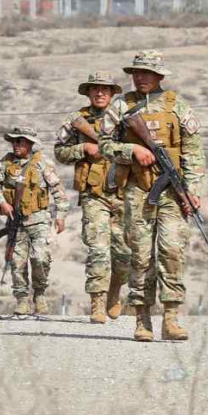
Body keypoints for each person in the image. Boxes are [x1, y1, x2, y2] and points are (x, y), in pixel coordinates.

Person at [98, 50, 205, 342]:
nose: (140, 77)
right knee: (141, 255)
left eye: (146, 72)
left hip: (172, 190)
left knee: (172, 250)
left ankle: (171, 317)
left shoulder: (177, 106)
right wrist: (131, 150)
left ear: (159, 76)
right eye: (136, 72)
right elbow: (104, 144)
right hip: (137, 190)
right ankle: (142, 319)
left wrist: (193, 191)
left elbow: (193, 152)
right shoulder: (121, 106)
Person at [54, 70, 131, 323]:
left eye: (105, 89)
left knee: (123, 254)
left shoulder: (126, 118)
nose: (100, 93)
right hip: (93, 194)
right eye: (95, 89)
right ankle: (97, 303)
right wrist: (83, 148)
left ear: (111, 93)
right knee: (98, 250)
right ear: (88, 92)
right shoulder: (77, 120)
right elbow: (60, 152)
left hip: (124, 192)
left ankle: (114, 293)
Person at [0, 127, 69, 316]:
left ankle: (39, 294)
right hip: (15, 221)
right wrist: (2, 203)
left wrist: (61, 215)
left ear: (30, 144)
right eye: (14, 141)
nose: (16, 145)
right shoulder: (4, 164)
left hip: (39, 219)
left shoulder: (42, 163)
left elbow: (57, 189)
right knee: (17, 262)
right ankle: (22, 299)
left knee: (40, 258)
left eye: (20, 141)